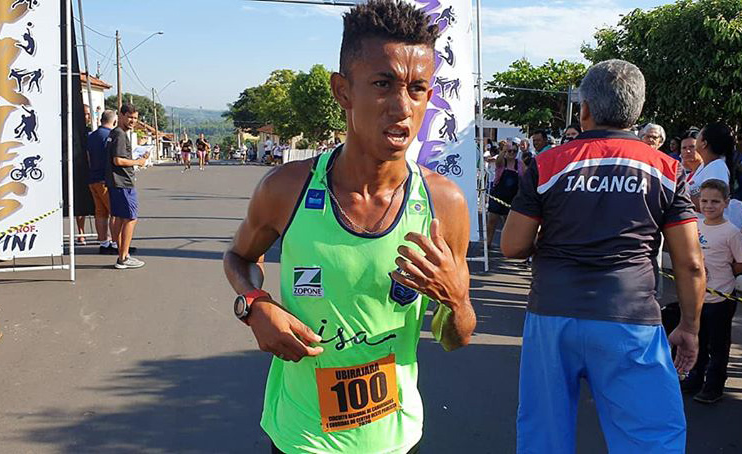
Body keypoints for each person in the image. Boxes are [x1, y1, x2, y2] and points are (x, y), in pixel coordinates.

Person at [223, 1, 475, 452]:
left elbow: (454, 339)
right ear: (343, 91)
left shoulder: (444, 204)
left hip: (394, 437)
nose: (402, 107)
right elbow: (238, 257)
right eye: (383, 84)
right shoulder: (286, 188)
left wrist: (456, 300)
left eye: (418, 89)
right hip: (302, 436)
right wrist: (255, 304)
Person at [501, 59, 704, 453]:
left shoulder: (546, 164)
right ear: (637, 113)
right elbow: (690, 261)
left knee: (543, 435)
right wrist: (690, 327)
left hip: (552, 314)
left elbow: (512, 246)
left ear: (585, 109)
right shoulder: (666, 168)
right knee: (650, 439)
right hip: (630, 318)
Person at [680, 179, 741, 403]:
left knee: (718, 345)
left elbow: (739, 262)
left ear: (726, 203)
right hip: (697, 298)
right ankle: (695, 377)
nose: (708, 206)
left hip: (720, 300)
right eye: (704, 201)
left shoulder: (732, 232)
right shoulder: (696, 225)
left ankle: (714, 386)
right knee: (697, 340)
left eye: (715, 201)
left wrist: (724, 278)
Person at [105, 103, 148, 269]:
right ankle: (123, 257)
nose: (132, 121)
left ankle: (122, 253)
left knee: (120, 218)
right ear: (121, 116)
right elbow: (118, 160)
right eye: (130, 117)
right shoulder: (120, 135)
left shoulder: (114, 134)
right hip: (122, 182)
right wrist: (139, 162)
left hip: (115, 182)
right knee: (131, 218)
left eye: (135, 118)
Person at [87, 109, 117, 255]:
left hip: (92, 177)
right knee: (115, 212)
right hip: (106, 179)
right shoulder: (110, 136)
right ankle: (117, 243)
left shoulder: (91, 136)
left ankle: (103, 242)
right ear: (114, 121)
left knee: (100, 213)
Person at [688, 122, 735, 210]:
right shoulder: (704, 166)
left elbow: (712, 204)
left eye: (698, 136)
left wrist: (680, 197)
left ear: (704, 143)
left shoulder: (717, 168)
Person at [486, 141, 524, 246]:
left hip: (512, 197)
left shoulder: (520, 164)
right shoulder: (502, 162)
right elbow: (498, 161)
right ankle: (487, 243)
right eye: (510, 151)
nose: (512, 153)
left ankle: (508, 244)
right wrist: (503, 150)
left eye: (514, 151)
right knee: (492, 221)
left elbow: (525, 178)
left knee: (508, 223)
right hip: (497, 195)